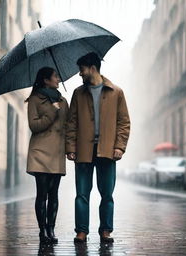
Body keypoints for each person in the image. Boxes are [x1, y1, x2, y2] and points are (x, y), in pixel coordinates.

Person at [66, 52, 130, 243]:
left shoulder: (116, 92)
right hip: (84, 150)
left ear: (92, 68)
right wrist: (71, 147)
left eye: (82, 70)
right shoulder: (78, 93)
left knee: (107, 194)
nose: (80, 74)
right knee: (82, 194)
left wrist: (120, 146)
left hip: (108, 150)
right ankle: (81, 231)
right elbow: (71, 123)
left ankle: (106, 231)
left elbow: (124, 122)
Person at [26, 67, 68, 244]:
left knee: (54, 193)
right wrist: (52, 111)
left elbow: (69, 125)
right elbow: (34, 126)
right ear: (46, 80)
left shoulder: (63, 100)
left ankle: (51, 229)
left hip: (57, 152)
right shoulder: (35, 99)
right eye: (55, 76)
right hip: (41, 153)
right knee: (42, 193)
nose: (58, 79)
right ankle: (42, 231)